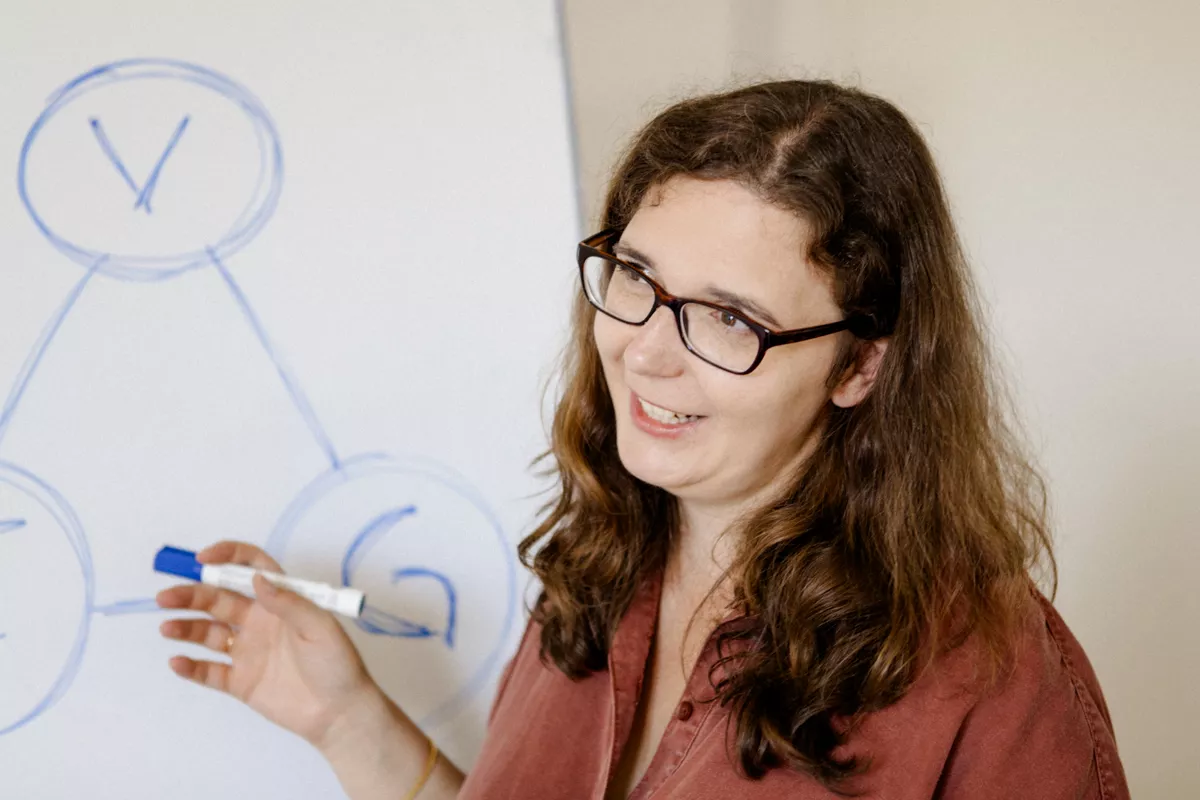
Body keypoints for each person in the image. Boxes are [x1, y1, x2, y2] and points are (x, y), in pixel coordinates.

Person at [155, 79, 1130, 799]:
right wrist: (347, 719)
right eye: (635, 277)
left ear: (859, 367)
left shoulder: (989, 674)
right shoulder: (598, 574)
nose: (647, 353)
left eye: (728, 319)